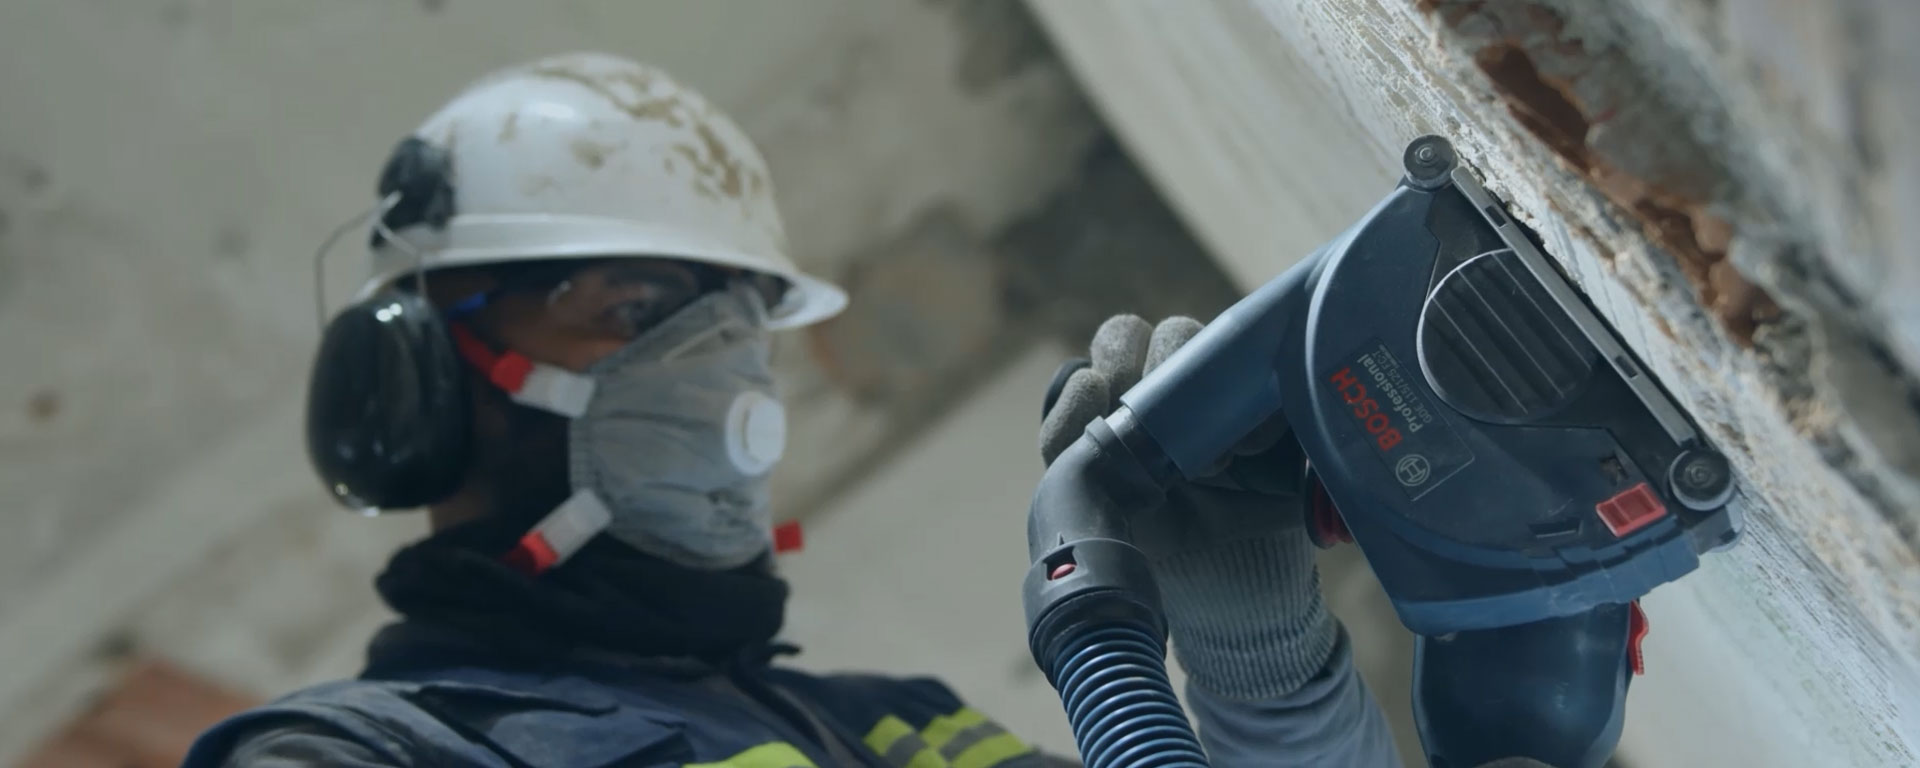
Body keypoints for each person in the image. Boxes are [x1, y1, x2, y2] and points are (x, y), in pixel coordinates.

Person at [180, 51, 1399, 768]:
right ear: (421, 384)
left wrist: (1264, 670)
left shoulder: (905, 732)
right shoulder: (357, 751)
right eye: (628, 309)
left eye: (737, 325)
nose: (715, 374)